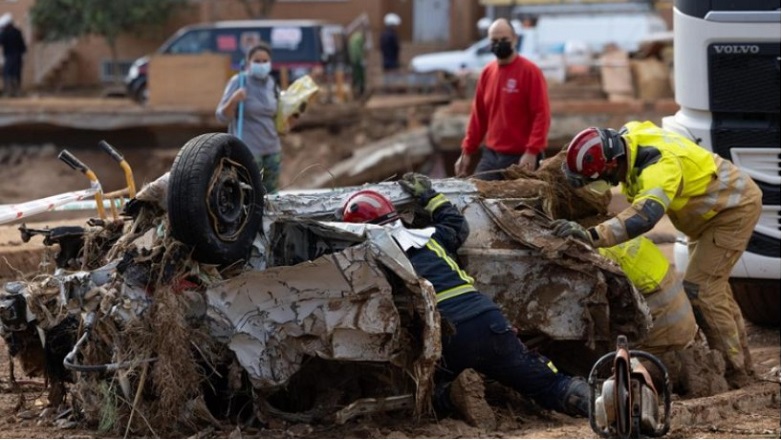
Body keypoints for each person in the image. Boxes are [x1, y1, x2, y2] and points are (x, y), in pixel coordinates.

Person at [341, 173, 589, 428]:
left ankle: (452, 395)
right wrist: (429, 195)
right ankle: (604, 406)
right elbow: (458, 224)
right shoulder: (430, 237)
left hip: (448, 337)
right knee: (548, 383)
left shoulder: (373, 261)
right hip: (488, 322)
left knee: (426, 392)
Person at [551, 120, 762, 388]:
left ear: (613, 164)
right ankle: (743, 363)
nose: (605, 185)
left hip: (731, 212)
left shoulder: (659, 169)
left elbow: (644, 216)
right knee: (714, 288)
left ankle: (736, 373)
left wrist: (592, 236)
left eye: (600, 180)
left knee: (701, 290)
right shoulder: (628, 141)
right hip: (712, 212)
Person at [455, 18, 550, 180]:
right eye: (495, 40)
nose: (499, 44)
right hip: (491, 156)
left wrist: (531, 151)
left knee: (522, 204)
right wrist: (467, 152)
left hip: (520, 157)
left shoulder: (530, 72)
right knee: (477, 198)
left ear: (515, 39)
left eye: (504, 40)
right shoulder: (487, 73)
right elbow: (478, 118)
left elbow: (541, 115)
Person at [599, 236, 697, 357]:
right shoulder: (623, 237)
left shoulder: (600, 257)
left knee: (625, 367)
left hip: (662, 337)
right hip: (683, 326)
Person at [216, 43, 282, 194]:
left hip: (272, 149)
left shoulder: (271, 83)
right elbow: (221, 116)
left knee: (271, 194)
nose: (261, 65)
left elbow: (278, 113)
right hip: (249, 150)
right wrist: (234, 100)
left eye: (265, 61)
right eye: (257, 61)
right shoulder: (238, 82)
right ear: (248, 63)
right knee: (249, 192)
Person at [0, 13, 27, 97]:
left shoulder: (5, 33)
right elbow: (23, 46)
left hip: (9, 56)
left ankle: (8, 92)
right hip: (18, 56)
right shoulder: (18, 32)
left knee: (7, 73)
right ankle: (17, 92)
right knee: (16, 73)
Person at [348, 24, 366, 99]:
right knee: (360, 77)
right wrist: (361, 59)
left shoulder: (354, 37)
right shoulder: (359, 38)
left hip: (354, 60)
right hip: (357, 61)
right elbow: (358, 50)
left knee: (355, 76)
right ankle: (360, 92)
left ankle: (355, 92)